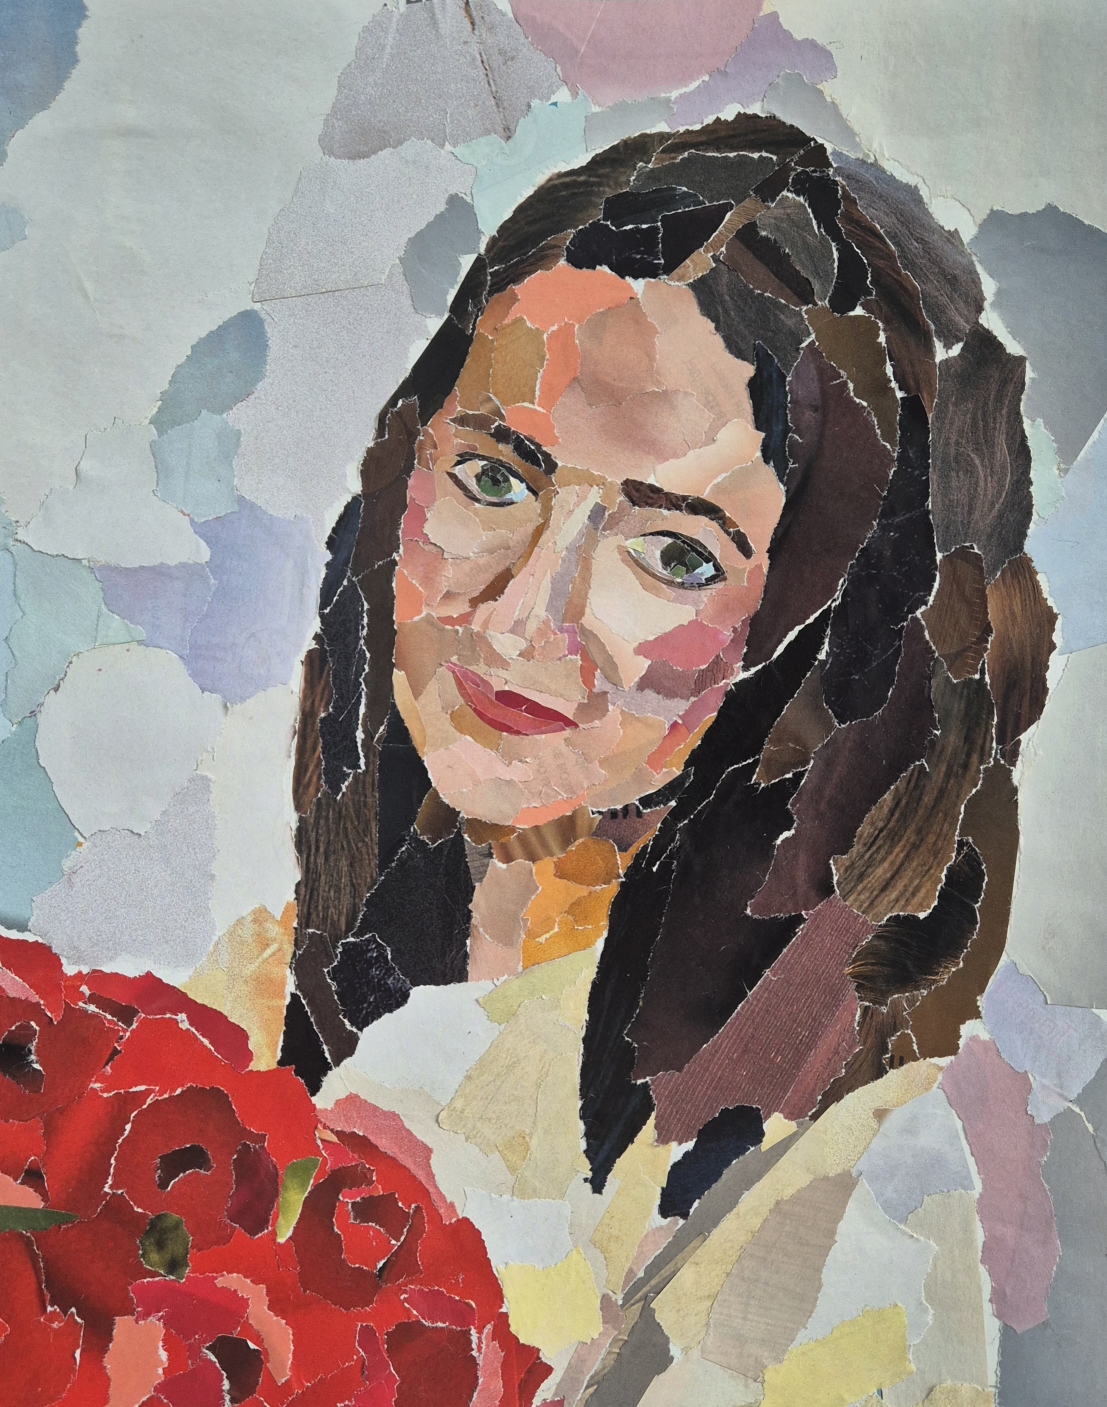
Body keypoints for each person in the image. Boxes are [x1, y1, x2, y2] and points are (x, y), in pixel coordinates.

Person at [284, 112, 1052, 1214]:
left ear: (817, 640)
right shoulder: (269, 968)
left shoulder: (841, 1163)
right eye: (495, 478)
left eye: (676, 555)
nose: (521, 619)